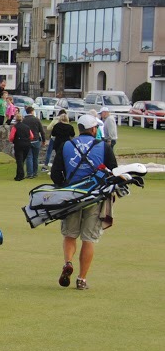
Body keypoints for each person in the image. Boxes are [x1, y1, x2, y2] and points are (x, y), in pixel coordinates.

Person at [51, 113, 119, 291]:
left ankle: (68, 262)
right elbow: (114, 170)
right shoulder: (102, 146)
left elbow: (55, 173)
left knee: (70, 234)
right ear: (94, 129)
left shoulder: (67, 145)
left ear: (80, 129)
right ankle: (81, 279)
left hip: (72, 196)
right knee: (89, 239)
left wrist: (63, 185)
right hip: (95, 197)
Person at [15, 105, 45, 180]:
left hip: (27, 140)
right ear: (32, 111)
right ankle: (35, 173)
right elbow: (42, 131)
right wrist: (44, 140)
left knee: (29, 157)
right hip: (36, 140)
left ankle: (30, 173)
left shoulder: (24, 120)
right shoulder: (36, 120)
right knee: (35, 157)